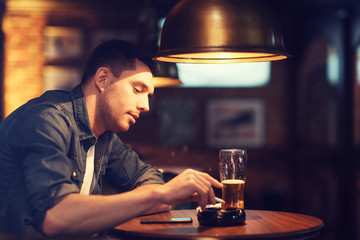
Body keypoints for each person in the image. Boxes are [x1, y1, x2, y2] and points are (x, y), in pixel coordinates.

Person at [0, 39, 222, 238]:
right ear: (103, 79)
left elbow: (149, 179)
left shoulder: (105, 136)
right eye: (137, 89)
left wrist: (160, 194)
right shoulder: (46, 120)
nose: (145, 106)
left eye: (148, 96)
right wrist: (162, 193)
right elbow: (55, 217)